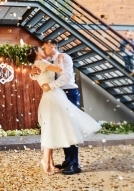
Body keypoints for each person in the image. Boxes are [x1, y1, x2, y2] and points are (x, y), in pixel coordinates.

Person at [28, 43, 101, 176]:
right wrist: (31, 73)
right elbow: (37, 72)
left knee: (70, 126)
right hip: (56, 95)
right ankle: (67, 160)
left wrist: (50, 85)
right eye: (43, 48)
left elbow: (66, 76)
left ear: (53, 47)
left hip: (67, 92)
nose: (45, 50)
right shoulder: (45, 61)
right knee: (61, 127)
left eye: (47, 47)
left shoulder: (64, 57)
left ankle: (74, 163)